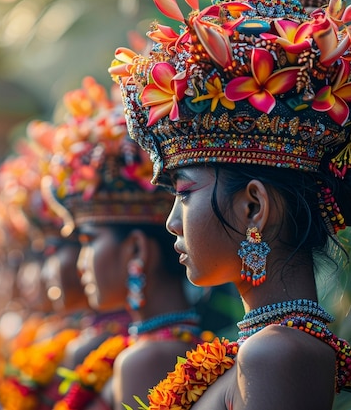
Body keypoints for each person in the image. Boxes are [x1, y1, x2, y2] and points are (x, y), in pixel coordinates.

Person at [109, 0, 351, 409]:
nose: (172, 220)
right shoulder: (264, 349)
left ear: (254, 208)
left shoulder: (276, 353)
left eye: (185, 193)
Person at [43, 77, 228, 409]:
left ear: (137, 250)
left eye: (88, 242)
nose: (80, 262)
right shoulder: (154, 345)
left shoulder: (145, 357)